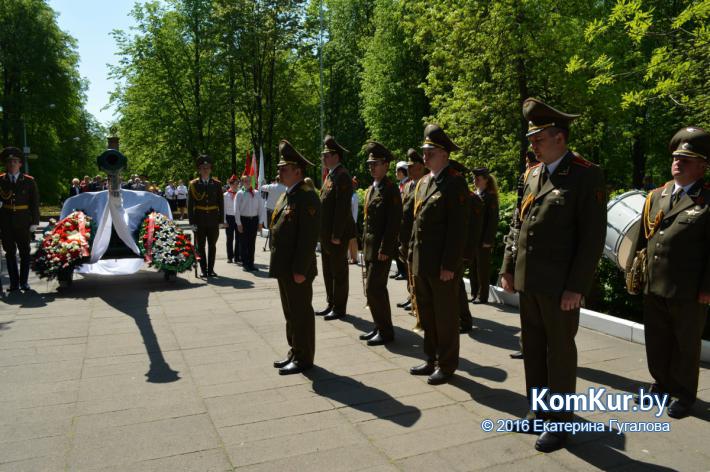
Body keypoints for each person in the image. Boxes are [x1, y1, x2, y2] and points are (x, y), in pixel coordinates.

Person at [500, 98, 606, 452]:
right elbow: (518, 225)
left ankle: (560, 425)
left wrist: (576, 287)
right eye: (531, 139)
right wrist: (507, 268)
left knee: (559, 353)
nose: (532, 144)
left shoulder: (584, 174)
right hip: (530, 282)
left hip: (560, 287)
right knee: (531, 347)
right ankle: (539, 410)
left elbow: (591, 239)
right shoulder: (532, 174)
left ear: (559, 137)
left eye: (539, 138)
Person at [633, 126, 709, 419]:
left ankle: (685, 394)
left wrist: (707, 287)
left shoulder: (707, 200)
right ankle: (661, 384)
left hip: (688, 290)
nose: (678, 162)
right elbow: (644, 241)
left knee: (686, 346)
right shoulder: (656, 196)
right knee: (657, 339)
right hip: (654, 284)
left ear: (702, 167)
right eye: (676, 157)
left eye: (687, 160)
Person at [409, 124, 470, 385]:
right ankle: (430, 358)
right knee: (427, 313)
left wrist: (449, 264)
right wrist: (411, 255)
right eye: (424, 151)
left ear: (444, 154)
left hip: (442, 265)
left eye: (430, 152)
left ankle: (446, 365)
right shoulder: (424, 182)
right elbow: (417, 223)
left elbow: (458, 229)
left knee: (445, 317)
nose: (425, 157)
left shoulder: (455, 182)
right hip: (423, 262)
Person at [270, 140, 321, 375]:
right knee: (290, 313)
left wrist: (300, 269)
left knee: (300, 313)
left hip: (297, 269)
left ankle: (303, 358)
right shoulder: (287, 195)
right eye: (280, 168)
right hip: (285, 267)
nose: (279, 172)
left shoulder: (306, 197)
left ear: (298, 171)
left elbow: (308, 238)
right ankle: (295, 351)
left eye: (284, 168)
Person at [359, 142, 402, 346]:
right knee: (372, 290)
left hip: (381, 250)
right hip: (370, 248)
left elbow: (393, 223)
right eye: (370, 164)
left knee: (375, 288)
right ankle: (379, 326)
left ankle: (386, 331)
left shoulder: (390, 189)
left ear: (386, 165)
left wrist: (386, 248)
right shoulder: (372, 189)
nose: (372, 167)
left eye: (375, 164)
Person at [316, 135, 356, 321]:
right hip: (326, 235)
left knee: (338, 273)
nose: (323, 157)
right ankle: (331, 303)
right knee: (327, 271)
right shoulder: (331, 175)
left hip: (335, 236)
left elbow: (342, 208)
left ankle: (339, 308)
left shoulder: (342, 176)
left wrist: (337, 234)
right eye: (323, 154)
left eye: (327, 154)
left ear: (336, 156)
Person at [508, 149, 539, 360]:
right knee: (527, 317)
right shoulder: (527, 180)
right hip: (524, 261)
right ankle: (526, 345)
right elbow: (518, 219)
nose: (527, 166)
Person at [0, 147, 40, 292]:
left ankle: (24, 282)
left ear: (20, 164)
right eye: (9, 162)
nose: (12, 164)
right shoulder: (1, 180)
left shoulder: (29, 181)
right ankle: (14, 283)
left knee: (24, 253)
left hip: (23, 222)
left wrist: (35, 222)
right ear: (6, 164)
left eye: (15, 162)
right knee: (9, 253)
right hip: (6, 222)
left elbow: (34, 203)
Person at [397, 149, 426, 313]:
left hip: (417, 237)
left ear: (421, 167)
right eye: (408, 166)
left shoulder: (425, 184)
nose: (409, 170)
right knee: (409, 270)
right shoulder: (408, 185)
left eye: (412, 166)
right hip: (405, 236)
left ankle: (419, 301)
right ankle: (412, 297)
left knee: (417, 272)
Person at [188, 154, 224, 278]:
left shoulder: (217, 184)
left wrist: (221, 220)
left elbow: (221, 203)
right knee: (201, 246)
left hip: (213, 219)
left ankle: (211, 269)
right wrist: (192, 222)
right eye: (203, 168)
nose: (205, 170)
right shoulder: (193, 184)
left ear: (211, 169)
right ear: (199, 170)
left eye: (208, 168)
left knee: (212, 245)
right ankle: (203, 270)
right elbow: (190, 205)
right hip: (199, 219)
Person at [469, 167, 500, 304]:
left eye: (478, 179)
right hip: (473, 238)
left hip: (483, 239)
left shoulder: (490, 196)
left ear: (486, 180)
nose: (475, 181)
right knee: (473, 267)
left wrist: (488, 239)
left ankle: (483, 296)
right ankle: (474, 292)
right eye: (474, 178)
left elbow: (492, 220)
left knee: (482, 269)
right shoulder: (475, 194)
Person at [235, 175, 267, 271]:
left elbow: (261, 208)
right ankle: (245, 264)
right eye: (245, 181)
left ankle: (251, 263)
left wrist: (261, 222)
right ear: (242, 182)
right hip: (243, 220)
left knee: (252, 243)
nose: (248, 182)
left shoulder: (256, 193)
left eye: (249, 181)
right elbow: (236, 209)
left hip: (254, 220)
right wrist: (239, 223)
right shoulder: (240, 194)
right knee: (244, 243)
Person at [391, 161, 410, 280]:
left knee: (402, 247)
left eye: (397, 171)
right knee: (396, 247)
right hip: (397, 220)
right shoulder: (400, 185)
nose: (396, 173)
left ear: (402, 172)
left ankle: (404, 271)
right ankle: (400, 269)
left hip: (404, 221)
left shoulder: (408, 184)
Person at [223, 175, 239, 263]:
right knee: (229, 238)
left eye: (236, 184)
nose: (235, 186)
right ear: (230, 184)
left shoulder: (240, 194)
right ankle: (230, 257)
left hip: (238, 218)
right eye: (233, 184)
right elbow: (223, 209)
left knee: (239, 238)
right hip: (229, 218)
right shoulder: (225, 195)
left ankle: (237, 256)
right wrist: (224, 221)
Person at [348, 178, 359, 264]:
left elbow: (355, 210)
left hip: (352, 220)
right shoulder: (350, 195)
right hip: (348, 220)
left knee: (352, 240)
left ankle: (354, 258)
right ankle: (351, 256)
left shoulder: (354, 196)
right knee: (349, 239)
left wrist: (353, 222)